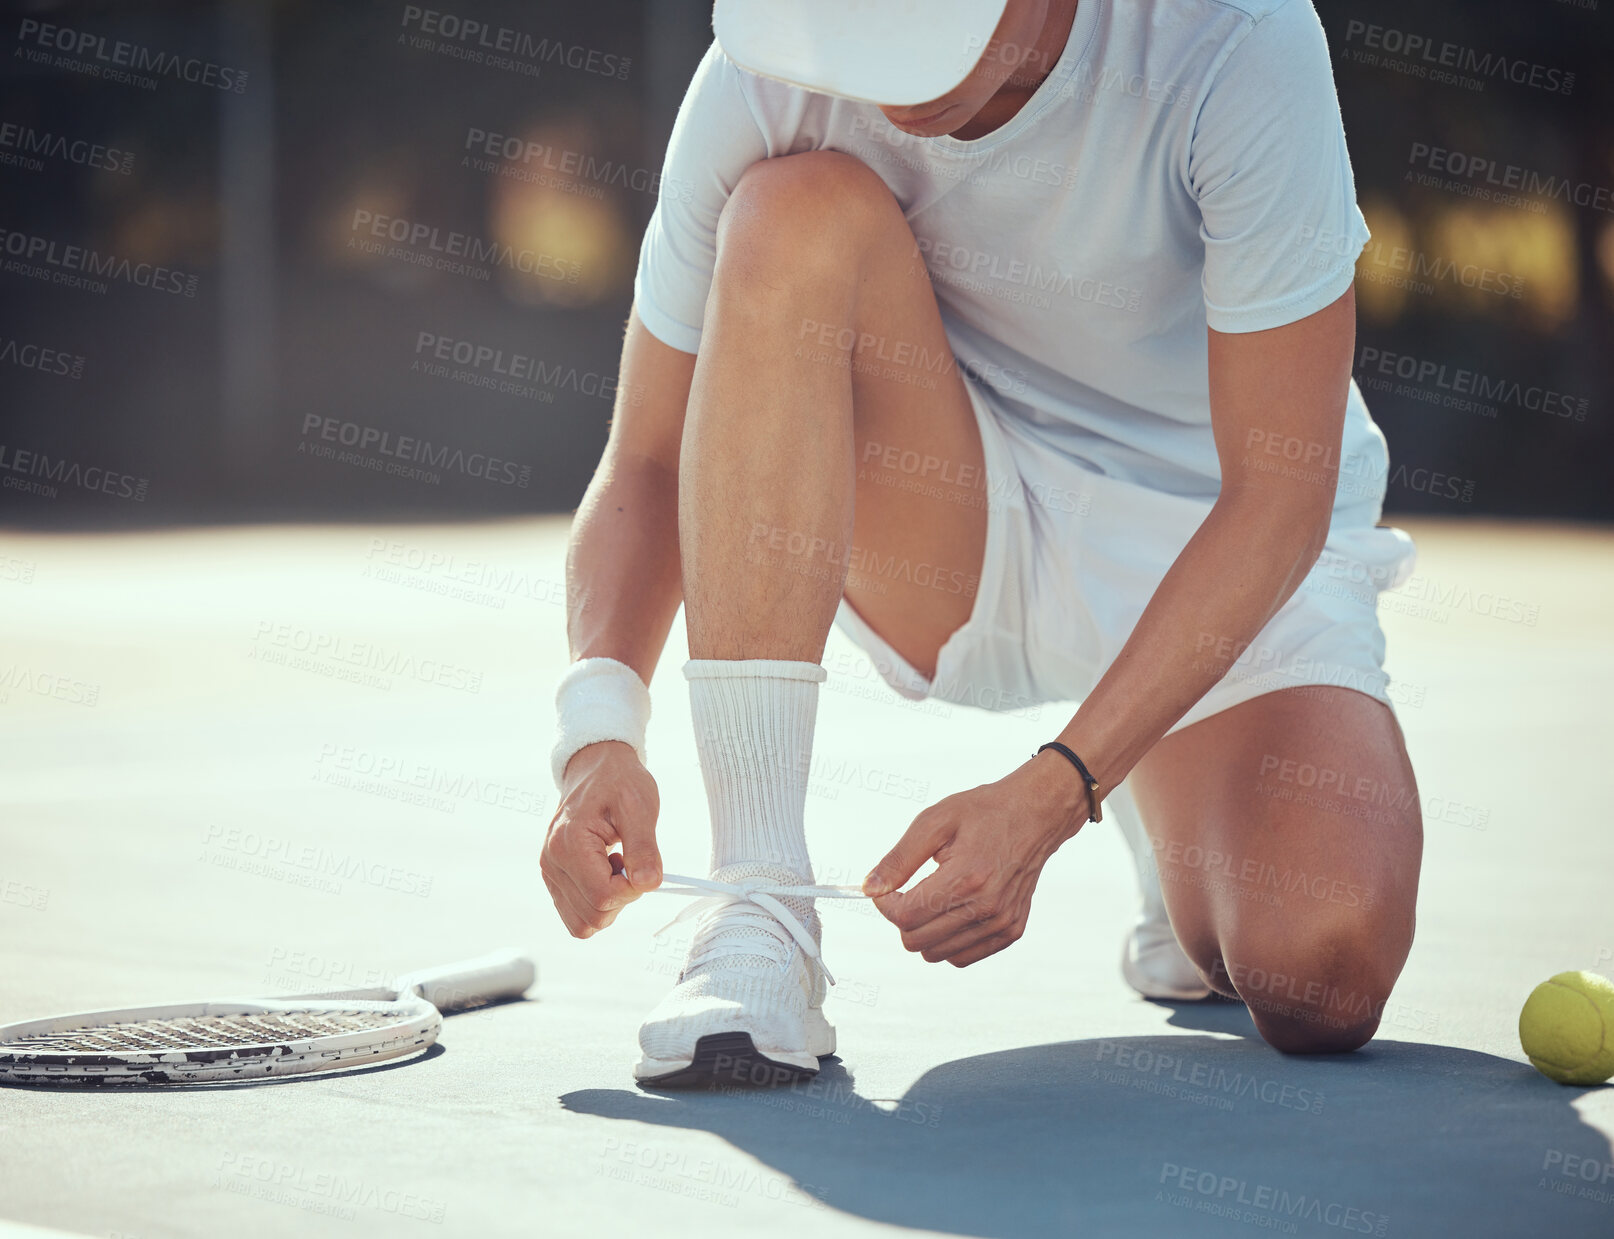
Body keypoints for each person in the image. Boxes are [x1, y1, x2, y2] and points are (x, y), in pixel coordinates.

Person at [543, 0, 1423, 1087]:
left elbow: (1278, 502)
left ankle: (1155, 780)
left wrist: (1060, 789)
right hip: (955, 518)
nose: (891, 89)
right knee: (790, 211)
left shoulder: (1237, 39)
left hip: (1218, 541)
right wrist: (596, 733)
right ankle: (756, 906)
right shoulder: (771, 65)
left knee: (1321, 974)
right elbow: (647, 459)